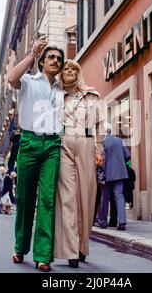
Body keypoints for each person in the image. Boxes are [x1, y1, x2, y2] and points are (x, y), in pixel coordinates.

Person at [8, 35, 65, 272]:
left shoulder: (63, 90)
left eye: (59, 59)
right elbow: (11, 78)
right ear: (42, 62)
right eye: (50, 57)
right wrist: (32, 52)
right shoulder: (29, 81)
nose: (55, 60)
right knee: (25, 197)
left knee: (48, 199)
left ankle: (44, 255)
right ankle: (20, 247)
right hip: (29, 142)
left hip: (53, 145)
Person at [54, 59, 105, 268]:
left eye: (72, 68)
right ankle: (71, 250)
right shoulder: (55, 96)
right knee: (67, 197)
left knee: (87, 196)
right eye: (65, 68)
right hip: (63, 144)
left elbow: (101, 124)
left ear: (78, 72)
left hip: (86, 144)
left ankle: (83, 245)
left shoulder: (93, 96)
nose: (68, 71)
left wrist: (100, 148)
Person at [98, 126, 131, 231]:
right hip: (120, 173)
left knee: (105, 198)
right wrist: (121, 162)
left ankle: (102, 222)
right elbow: (128, 154)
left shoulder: (103, 142)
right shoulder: (120, 141)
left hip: (107, 174)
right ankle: (122, 222)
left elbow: (101, 160)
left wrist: (101, 173)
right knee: (119, 197)